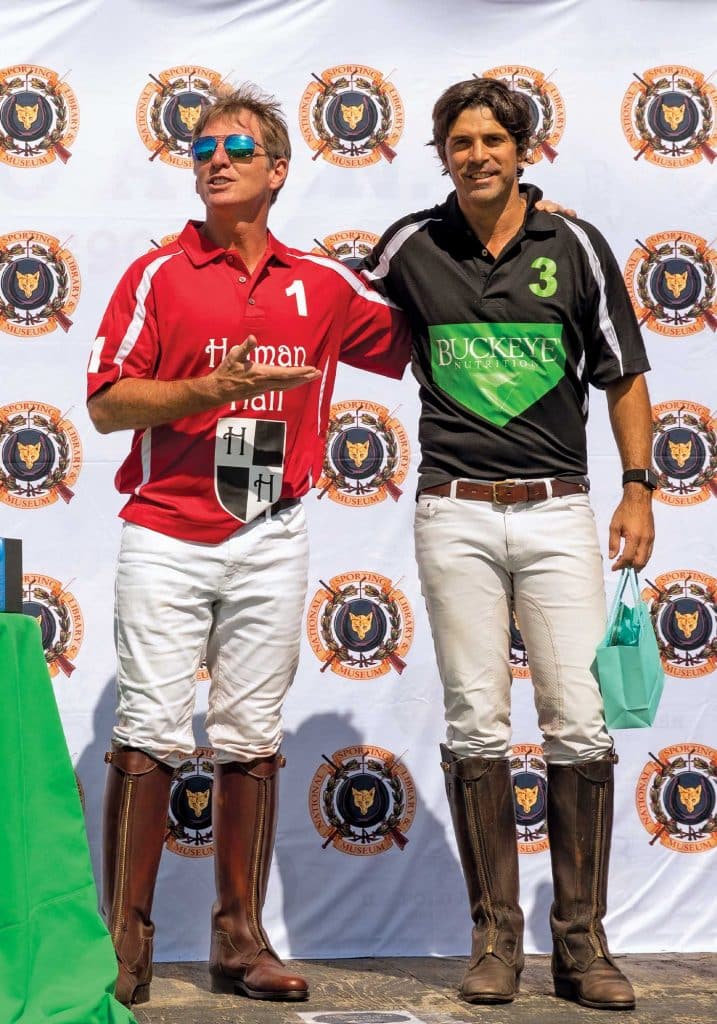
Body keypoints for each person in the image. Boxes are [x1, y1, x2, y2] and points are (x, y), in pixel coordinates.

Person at [86, 85, 412, 1007]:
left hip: (272, 533)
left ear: (277, 170)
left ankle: (237, 940)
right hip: (164, 530)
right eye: (200, 147)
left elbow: (419, 328)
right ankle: (129, 945)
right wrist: (205, 390)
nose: (213, 158)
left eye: (235, 147)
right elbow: (108, 404)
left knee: (250, 737)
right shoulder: (156, 275)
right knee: (149, 731)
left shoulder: (321, 282)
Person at [361, 78, 655, 1011]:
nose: (477, 153)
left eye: (494, 139)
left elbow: (623, 374)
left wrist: (639, 487)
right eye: (460, 141)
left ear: (524, 150)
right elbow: (332, 309)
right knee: (475, 723)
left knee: (577, 721)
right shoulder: (411, 242)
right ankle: (495, 942)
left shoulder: (572, 243)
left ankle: (584, 947)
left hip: (558, 509)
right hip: (452, 510)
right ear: (440, 154)